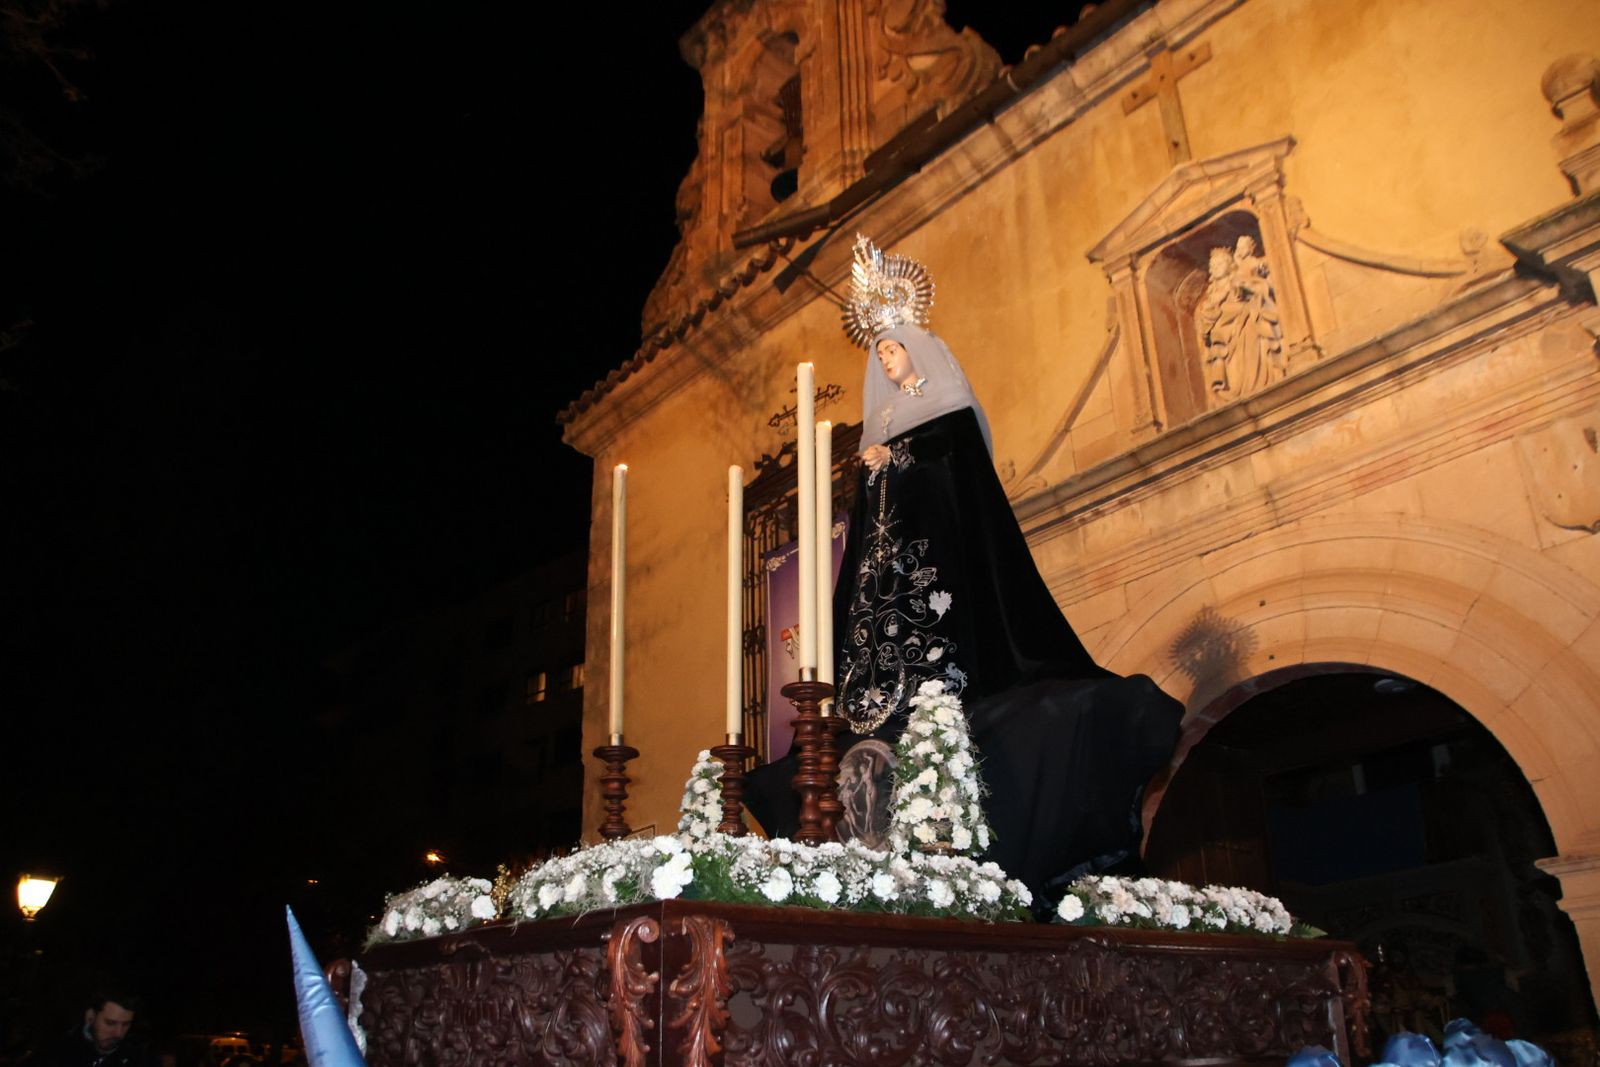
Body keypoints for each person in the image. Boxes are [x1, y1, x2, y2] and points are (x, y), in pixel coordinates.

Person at [747, 236, 1184, 902]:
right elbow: (870, 521)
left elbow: (957, 494)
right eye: (881, 353)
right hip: (889, 578)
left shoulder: (943, 414)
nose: (887, 361)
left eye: (894, 349)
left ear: (917, 349)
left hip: (936, 565)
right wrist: (873, 473)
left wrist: (901, 464)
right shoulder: (882, 425)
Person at [29, 988, 152, 1067]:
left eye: (126, 1024)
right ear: (90, 1017)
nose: (118, 1033)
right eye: (110, 1023)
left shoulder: (139, 1057)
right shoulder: (54, 1054)